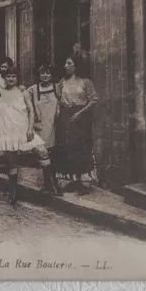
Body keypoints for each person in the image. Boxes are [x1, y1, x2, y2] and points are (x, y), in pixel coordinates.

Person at [0, 67, 52, 206]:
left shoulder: (23, 92)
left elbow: (31, 111)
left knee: (42, 150)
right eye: (8, 76)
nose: (11, 79)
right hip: (9, 131)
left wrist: (30, 128)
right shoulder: (1, 94)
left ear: (17, 78)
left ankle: (49, 186)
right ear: (5, 78)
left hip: (23, 129)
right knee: (12, 160)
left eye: (14, 76)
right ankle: (13, 192)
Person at [56, 55, 98, 195]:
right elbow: (57, 98)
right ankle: (71, 180)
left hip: (81, 118)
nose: (65, 66)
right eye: (65, 63)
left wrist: (79, 113)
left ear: (76, 66)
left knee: (82, 147)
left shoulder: (85, 82)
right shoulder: (62, 82)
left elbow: (93, 100)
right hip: (66, 117)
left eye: (69, 63)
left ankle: (84, 182)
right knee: (68, 147)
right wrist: (64, 109)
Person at [27, 64, 63, 196]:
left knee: (52, 155)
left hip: (53, 125)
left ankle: (53, 185)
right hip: (40, 126)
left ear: (52, 74)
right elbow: (23, 100)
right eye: (42, 73)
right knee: (44, 154)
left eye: (48, 73)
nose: (45, 75)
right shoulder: (33, 89)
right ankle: (50, 185)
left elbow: (63, 102)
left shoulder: (57, 87)